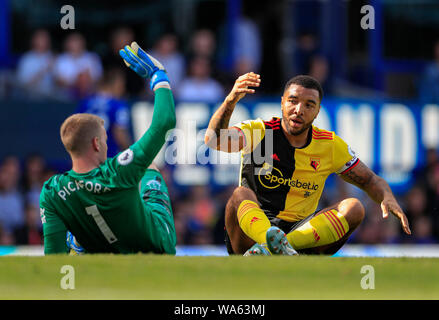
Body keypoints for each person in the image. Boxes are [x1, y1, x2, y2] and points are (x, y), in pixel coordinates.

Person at [204, 72, 411, 255]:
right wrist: (230, 101)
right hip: (250, 235)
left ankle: (278, 248)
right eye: (293, 101)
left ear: (318, 111)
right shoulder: (259, 131)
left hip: (301, 233)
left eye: (309, 105)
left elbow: (369, 180)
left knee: (354, 208)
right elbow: (214, 140)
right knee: (240, 194)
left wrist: (387, 196)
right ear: (282, 102)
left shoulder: (329, 145)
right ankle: (268, 241)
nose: (299, 110)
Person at [40, 42, 177, 254]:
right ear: (96, 143)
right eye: (104, 138)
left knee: (81, 216)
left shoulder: (52, 191)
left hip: (82, 198)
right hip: (156, 244)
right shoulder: (119, 170)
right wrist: (159, 75)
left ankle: (80, 240)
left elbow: (53, 255)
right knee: (150, 168)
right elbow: (164, 122)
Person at [76, 67, 132, 158]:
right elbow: (120, 135)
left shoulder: (86, 102)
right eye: (122, 85)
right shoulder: (117, 105)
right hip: (108, 159)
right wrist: (131, 152)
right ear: (116, 85)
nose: (123, 89)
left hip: (86, 157)